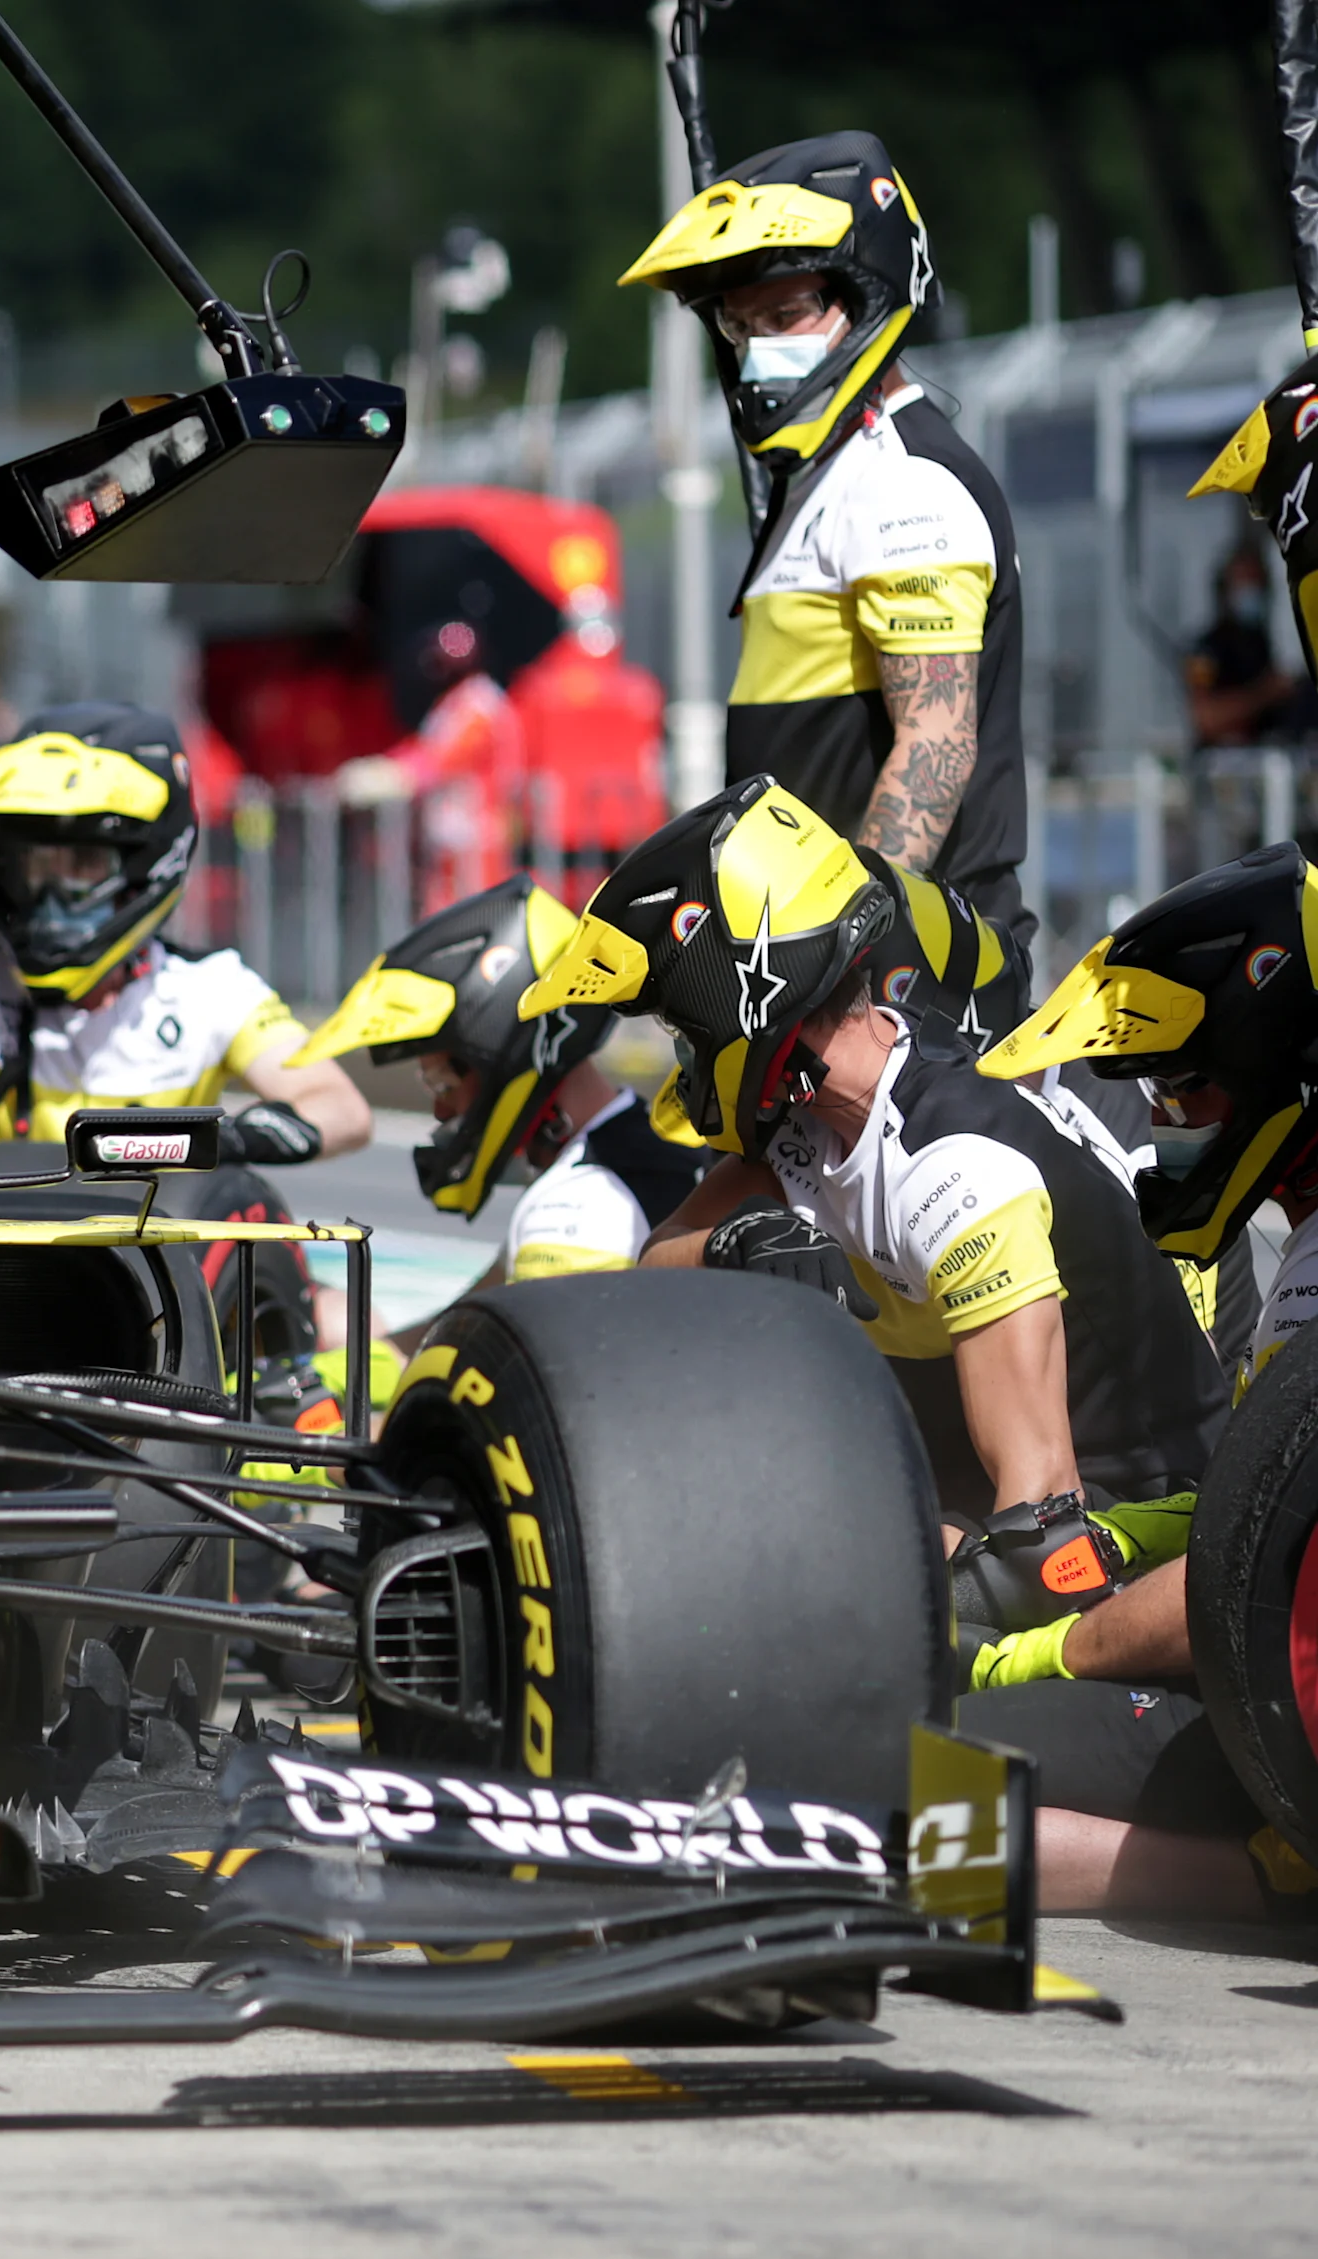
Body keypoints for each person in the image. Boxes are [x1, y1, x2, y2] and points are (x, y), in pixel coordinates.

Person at [524, 775, 1224, 1549]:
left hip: (1145, 1520)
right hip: (999, 1504)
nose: (683, 1058)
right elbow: (657, 1262)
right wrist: (736, 1240)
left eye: (679, 1028)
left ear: (734, 996)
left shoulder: (955, 1166)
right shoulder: (815, 1118)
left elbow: (1039, 1522)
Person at [955, 843, 1318, 1919]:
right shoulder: (1302, 1245)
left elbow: (1241, 1577)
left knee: (914, 1771)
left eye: (1184, 1088)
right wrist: (1121, 1540)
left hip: (1285, 1710)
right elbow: (1266, 1510)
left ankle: (1270, 1881)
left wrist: (1043, 1654)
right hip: (1273, 1679)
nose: (1163, 1119)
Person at [621, 134, 1031, 960]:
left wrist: (846, 951)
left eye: (785, 317)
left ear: (864, 295)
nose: (757, 347)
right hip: (809, 960)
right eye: (740, 325)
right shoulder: (827, 473)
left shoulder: (903, 481)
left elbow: (935, 744)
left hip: (905, 975)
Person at [0, 703, 371, 1191]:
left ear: (148, 864)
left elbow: (342, 1110)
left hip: (149, 1254)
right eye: (33, 865)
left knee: (297, 1262)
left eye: (85, 865)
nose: (50, 897)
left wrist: (223, 1141)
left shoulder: (207, 986)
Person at [293, 877, 702, 1292]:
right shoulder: (643, 1153)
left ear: (501, 1055)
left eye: (443, 1085)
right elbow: (462, 1317)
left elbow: (476, 1334)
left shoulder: (578, 1207)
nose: (441, 1111)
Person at [336, 622, 518, 911]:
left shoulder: (479, 705)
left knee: (475, 918)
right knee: (441, 916)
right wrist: (384, 765)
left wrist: (386, 777)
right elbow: (423, 747)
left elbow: (441, 760)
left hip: (477, 840)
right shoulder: (454, 701)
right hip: (452, 841)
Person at [1183, 542, 1300, 750]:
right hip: (1222, 761)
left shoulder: (1263, 643)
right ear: (1225, 591)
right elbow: (1205, 717)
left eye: (1257, 586)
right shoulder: (1205, 651)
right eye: (1244, 586)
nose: (1252, 593)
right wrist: (1265, 693)